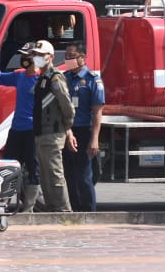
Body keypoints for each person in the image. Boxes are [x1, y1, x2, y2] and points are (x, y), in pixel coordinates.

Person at [0, 42, 41, 212]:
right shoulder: (19, 75)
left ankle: (29, 207)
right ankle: (3, 202)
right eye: (23, 56)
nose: (24, 59)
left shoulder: (42, 79)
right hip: (16, 130)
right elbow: (0, 77)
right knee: (7, 167)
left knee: (32, 168)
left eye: (28, 56)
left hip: (32, 130)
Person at [31, 40, 77, 212]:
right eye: (35, 55)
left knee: (55, 175)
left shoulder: (55, 77)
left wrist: (67, 127)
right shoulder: (42, 78)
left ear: (50, 57)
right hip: (41, 132)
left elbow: (67, 105)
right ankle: (52, 210)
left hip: (53, 133)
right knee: (44, 176)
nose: (37, 58)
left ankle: (64, 211)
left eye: (41, 55)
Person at [62, 41, 105, 211]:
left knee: (84, 174)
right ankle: (74, 209)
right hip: (67, 131)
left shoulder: (92, 80)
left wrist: (94, 140)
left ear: (82, 58)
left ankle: (89, 211)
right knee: (68, 174)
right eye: (66, 56)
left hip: (84, 131)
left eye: (71, 56)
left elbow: (97, 113)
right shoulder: (64, 78)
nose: (68, 60)